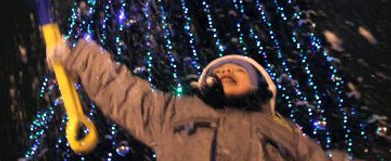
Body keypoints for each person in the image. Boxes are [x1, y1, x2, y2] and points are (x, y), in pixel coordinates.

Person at [48, 38, 329, 160]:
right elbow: (125, 93)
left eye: (238, 70)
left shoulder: (277, 127)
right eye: (218, 71)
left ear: (259, 88)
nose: (226, 70)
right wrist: (77, 57)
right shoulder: (176, 112)